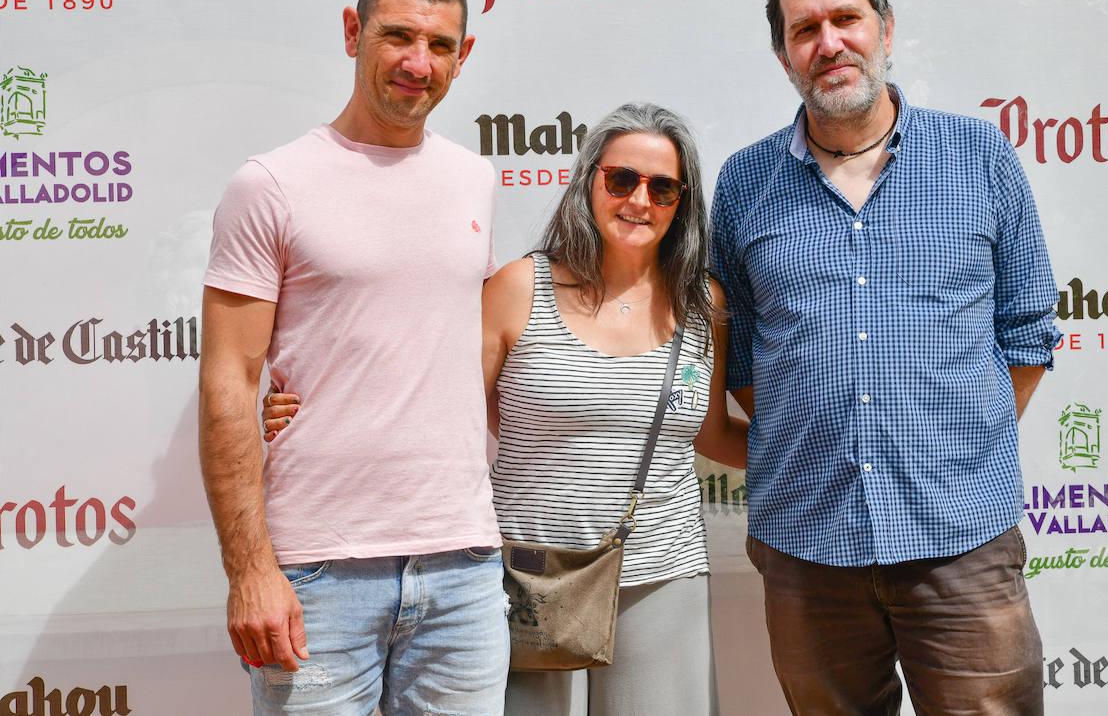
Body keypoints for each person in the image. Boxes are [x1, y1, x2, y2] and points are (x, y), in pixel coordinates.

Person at [264, 102, 748, 716]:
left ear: (683, 202)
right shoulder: (522, 288)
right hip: (530, 575)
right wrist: (309, 413)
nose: (639, 200)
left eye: (663, 187)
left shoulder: (703, 303)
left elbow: (710, 432)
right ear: (589, 181)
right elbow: (436, 400)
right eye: (621, 178)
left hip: (662, 572)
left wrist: (817, 456)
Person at [709, 0, 1061, 715]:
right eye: (805, 29)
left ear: (886, 27)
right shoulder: (744, 183)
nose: (829, 42)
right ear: (783, 56)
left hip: (961, 538)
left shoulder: (979, 158)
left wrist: (960, 447)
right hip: (808, 544)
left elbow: (1029, 329)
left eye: (846, 19)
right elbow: (736, 348)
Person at [198, 0, 508, 715]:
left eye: (440, 45)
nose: (417, 63)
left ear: (463, 56)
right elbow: (229, 380)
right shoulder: (270, 185)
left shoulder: (475, 179)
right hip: (317, 574)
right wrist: (250, 571)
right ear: (352, 32)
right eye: (397, 36)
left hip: (463, 566)